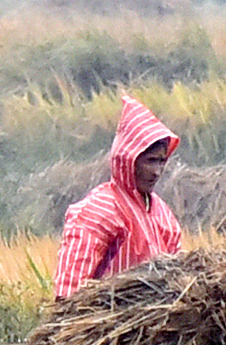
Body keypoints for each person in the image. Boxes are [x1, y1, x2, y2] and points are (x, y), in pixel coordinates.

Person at [53, 93, 183, 298]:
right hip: (106, 322)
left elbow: (177, 282)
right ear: (128, 159)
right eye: (150, 161)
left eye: (161, 161)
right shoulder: (98, 211)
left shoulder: (164, 216)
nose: (157, 172)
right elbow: (70, 291)